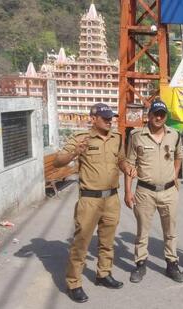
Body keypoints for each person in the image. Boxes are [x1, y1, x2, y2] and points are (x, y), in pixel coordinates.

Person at [54, 103, 135, 303]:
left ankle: (103, 274)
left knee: (107, 242)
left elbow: (121, 159)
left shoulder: (117, 138)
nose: (110, 121)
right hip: (89, 199)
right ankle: (74, 283)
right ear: (93, 118)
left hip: (111, 198)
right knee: (81, 244)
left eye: (111, 118)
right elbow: (58, 161)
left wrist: (127, 168)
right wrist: (75, 152)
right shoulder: (81, 139)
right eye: (105, 118)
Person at [124, 100, 183, 283]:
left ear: (165, 116)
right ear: (149, 115)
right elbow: (130, 164)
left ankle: (172, 264)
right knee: (142, 230)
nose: (158, 117)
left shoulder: (174, 135)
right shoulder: (136, 136)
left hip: (169, 192)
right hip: (145, 191)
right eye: (155, 114)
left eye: (162, 114)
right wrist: (128, 191)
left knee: (170, 230)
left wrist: (174, 176)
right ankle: (140, 264)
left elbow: (179, 157)